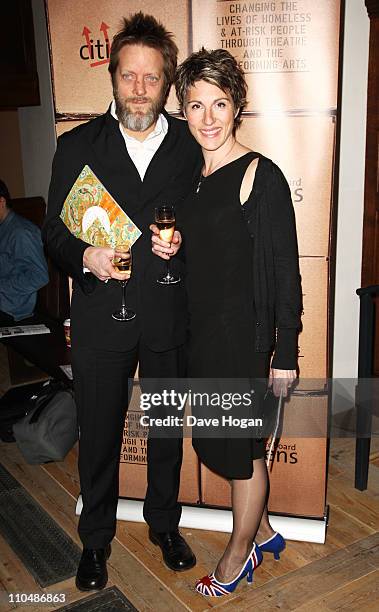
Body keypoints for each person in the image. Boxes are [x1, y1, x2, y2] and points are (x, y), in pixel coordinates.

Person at [43, 13, 201, 592]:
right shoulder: (77, 146)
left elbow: (207, 230)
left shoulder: (190, 148)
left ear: (167, 84)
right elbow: (54, 234)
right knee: (101, 434)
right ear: (112, 77)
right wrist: (87, 256)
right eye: (129, 75)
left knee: (164, 429)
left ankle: (164, 526)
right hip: (98, 318)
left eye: (152, 78)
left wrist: (182, 245)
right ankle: (96, 541)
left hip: (165, 314)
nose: (139, 87)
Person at [152, 48, 302, 597]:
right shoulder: (193, 175)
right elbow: (208, 259)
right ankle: (261, 532)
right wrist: (172, 252)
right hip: (201, 333)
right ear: (184, 111)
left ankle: (238, 556)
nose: (208, 118)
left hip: (241, 337)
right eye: (195, 105)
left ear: (237, 106)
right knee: (219, 444)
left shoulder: (261, 175)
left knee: (240, 451)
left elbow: (286, 270)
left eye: (219, 103)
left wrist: (285, 352)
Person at [0, 179, 48, 323]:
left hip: (11, 308)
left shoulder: (21, 232)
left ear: (1, 202)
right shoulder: (3, 228)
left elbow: (39, 276)